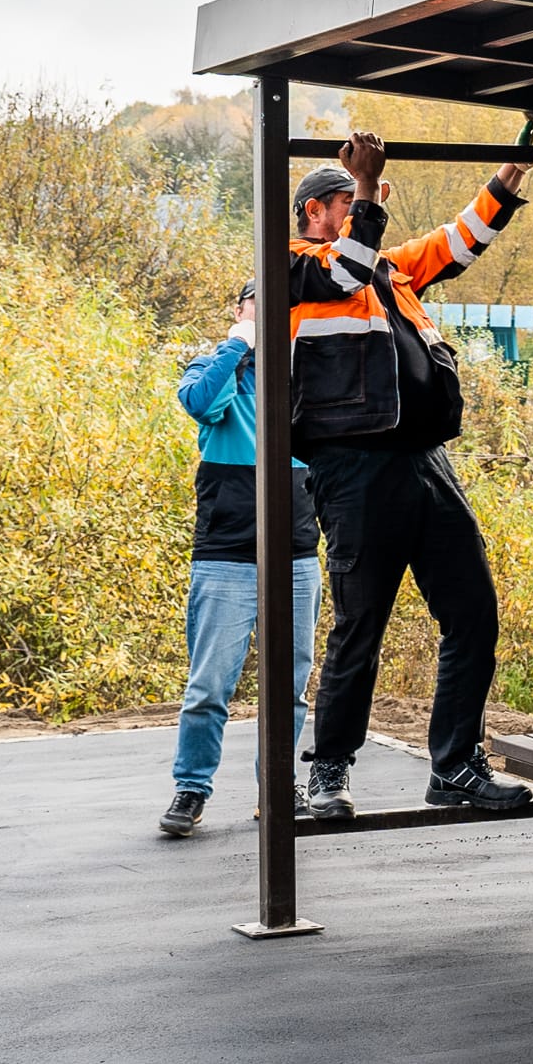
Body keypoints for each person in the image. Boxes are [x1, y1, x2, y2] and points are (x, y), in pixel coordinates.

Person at [288, 132, 533, 820]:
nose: (361, 208)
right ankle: (329, 771)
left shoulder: (389, 270)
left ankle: (455, 766)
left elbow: (460, 239)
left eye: (361, 199)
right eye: (347, 201)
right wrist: (367, 186)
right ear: (314, 211)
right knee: (360, 625)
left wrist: (513, 167)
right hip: (353, 468)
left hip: (426, 460)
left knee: (473, 613)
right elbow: (345, 270)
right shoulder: (292, 268)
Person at [160, 279, 322, 837]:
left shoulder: (304, 378)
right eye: (260, 300)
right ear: (239, 309)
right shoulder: (213, 367)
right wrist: (239, 345)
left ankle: (276, 787)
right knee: (208, 687)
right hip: (227, 553)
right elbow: (202, 404)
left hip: (296, 554)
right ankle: (191, 789)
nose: (272, 308)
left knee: (291, 688)